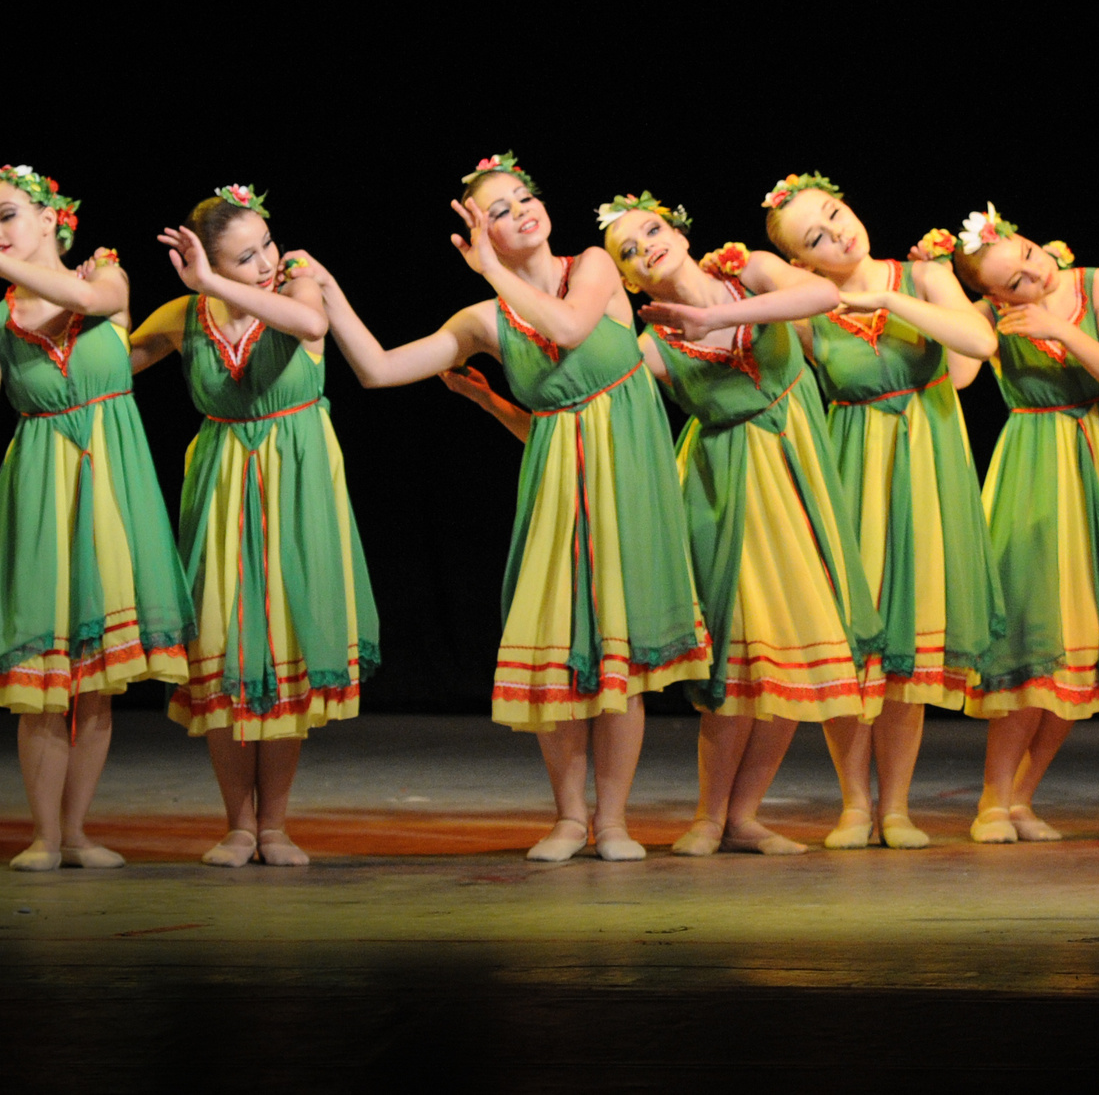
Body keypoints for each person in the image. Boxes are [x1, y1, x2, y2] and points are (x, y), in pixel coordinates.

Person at [292, 154, 708, 863]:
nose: (523, 212)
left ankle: (612, 821)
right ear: (477, 232)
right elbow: (379, 369)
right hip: (557, 487)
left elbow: (574, 332)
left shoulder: (595, 269)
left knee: (623, 656)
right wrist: (329, 291)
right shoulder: (484, 318)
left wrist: (494, 269)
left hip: (629, 482)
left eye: (524, 198)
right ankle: (570, 818)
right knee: (558, 652)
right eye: (501, 210)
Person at [0, 165, 189, 870]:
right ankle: (45, 836)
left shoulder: (106, 281)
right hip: (44, 494)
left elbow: (81, 294)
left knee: (97, 681)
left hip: (114, 493)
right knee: (44, 687)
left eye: (9, 215)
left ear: (53, 219)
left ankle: (78, 831)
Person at [601, 191, 884, 857]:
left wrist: (715, 315)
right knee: (743, 663)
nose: (647, 247)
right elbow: (601, 415)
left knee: (792, 658)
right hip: (730, 495)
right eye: (630, 253)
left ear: (677, 226)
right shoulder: (653, 347)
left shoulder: (747, 270)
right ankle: (708, 816)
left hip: (802, 479)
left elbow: (819, 297)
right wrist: (507, 409)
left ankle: (745, 816)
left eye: (650, 230)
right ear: (628, 280)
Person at [125, 183, 374, 867]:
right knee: (227, 650)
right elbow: (111, 368)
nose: (266, 261)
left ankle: (276, 826)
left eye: (266, 244)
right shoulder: (185, 316)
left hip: (297, 484)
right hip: (224, 484)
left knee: (285, 649)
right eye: (244, 258)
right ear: (207, 263)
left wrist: (219, 282)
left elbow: (313, 329)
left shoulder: (300, 290)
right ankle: (238, 824)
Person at [763, 174, 1000, 851]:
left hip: (926, 463)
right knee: (854, 647)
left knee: (909, 649)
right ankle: (854, 806)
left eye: (835, 214)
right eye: (816, 236)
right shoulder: (808, 310)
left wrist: (888, 295)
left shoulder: (918, 273)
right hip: (853, 467)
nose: (837, 231)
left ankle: (896, 807)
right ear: (802, 262)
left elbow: (976, 347)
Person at [948, 204, 1099, 842]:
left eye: (1031, 257)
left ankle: (1023, 799)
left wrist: (1063, 333)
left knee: (1084, 640)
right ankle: (991, 798)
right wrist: (961, 310)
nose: (1034, 278)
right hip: (1033, 467)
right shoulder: (988, 317)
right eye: (1014, 282)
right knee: (1034, 639)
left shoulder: (1096, 284)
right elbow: (957, 375)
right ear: (992, 293)